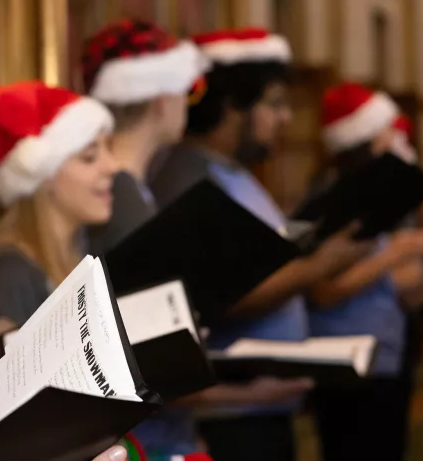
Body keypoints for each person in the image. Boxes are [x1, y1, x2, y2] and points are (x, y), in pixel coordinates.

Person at [81, 20, 314, 459]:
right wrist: (250, 396)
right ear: (163, 98)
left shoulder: (135, 189)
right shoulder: (124, 199)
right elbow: (148, 365)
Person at [149, 28, 371, 461]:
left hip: (261, 405)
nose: (286, 117)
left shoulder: (236, 172)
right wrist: (321, 265)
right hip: (232, 414)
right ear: (232, 106)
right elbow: (216, 293)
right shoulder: (190, 177)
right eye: (273, 104)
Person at [305, 82, 423, 461]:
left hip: (386, 354)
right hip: (347, 363)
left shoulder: (385, 194)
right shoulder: (333, 197)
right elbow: (322, 288)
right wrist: (400, 251)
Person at [0, 80, 117, 342]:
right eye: (89, 157)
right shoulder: (7, 277)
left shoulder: (78, 252)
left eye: (108, 150)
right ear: (43, 173)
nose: (112, 166)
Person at [81, 18, 209, 253]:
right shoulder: (119, 195)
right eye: (185, 92)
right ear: (162, 100)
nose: (186, 104)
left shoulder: (122, 187)